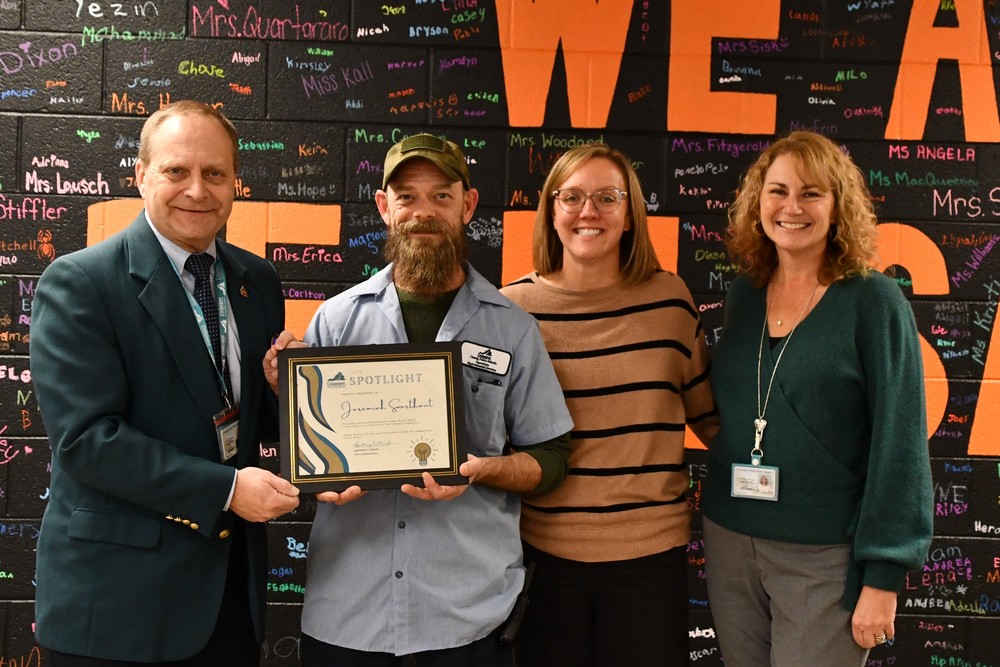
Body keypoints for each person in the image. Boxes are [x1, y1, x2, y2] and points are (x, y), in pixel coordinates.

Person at [264, 133, 574, 666]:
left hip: (466, 616)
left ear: (468, 205)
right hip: (348, 613)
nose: (423, 213)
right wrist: (286, 392)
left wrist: (482, 471)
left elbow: (552, 459)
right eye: (406, 197)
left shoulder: (512, 329)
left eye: (442, 196)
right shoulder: (336, 319)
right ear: (385, 207)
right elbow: (308, 452)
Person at [30, 100, 301, 666]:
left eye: (215, 173)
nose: (197, 191)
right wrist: (225, 491)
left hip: (227, 601)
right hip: (118, 611)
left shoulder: (258, 279)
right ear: (141, 175)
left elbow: (239, 419)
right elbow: (87, 440)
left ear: (236, 184)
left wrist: (288, 397)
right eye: (177, 170)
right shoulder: (80, 283)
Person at [702, 130, 933, 667]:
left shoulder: (874, 302)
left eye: (811, 193)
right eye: (777, 190)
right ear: (758, 202)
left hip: (823, 556)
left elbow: (899, 443)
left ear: (838, 208)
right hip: (731, 540)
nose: (792, 207)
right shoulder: (744, 295)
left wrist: (884, 576)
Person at [500, 143, 718, 666]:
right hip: (541, 559)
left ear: (630, 214)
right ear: (551, 212)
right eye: (571, 197)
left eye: (606, 197)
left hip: (651, 559)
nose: (588, 211)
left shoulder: (670, 301)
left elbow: (712, 420)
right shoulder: (512, 311)